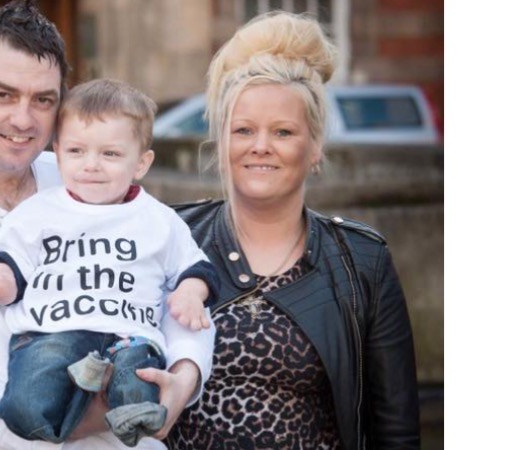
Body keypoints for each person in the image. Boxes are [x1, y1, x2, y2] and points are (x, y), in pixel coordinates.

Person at [0, 2, 215, 449]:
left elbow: (171, 285)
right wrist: (80, 418)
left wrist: (184, 376)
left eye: (43, 100)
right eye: (3, 95)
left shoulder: (88, 177)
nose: (23, 119)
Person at [167, 11, 421, 450]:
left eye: (283, 132)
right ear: (223, 142)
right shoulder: (172, 237)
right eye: (243, 130)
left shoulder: (363, 261)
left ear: (315, 146)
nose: (260, 146)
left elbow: (395, 429)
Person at [0, 79, 218, 447]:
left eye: (110, 154)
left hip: (130, 338)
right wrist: (2, 276)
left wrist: (190, 291)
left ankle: (113, 396)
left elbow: (196, 267)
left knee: (139, 388)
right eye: (76, 151)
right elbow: (9, 254)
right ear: (58, 154)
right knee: (26, 404)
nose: (91, 165)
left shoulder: (158, 219)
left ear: (141, 163)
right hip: (55, 332)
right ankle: (82, 389)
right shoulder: (41, 211)